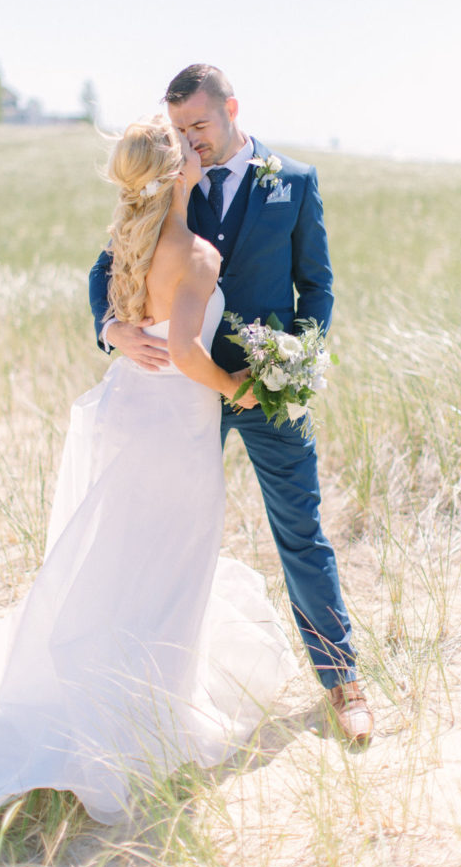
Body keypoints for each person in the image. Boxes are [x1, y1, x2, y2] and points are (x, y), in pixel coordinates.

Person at [0, 116, 298, 837]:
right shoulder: (196, 252)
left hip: (128, 411)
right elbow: (185, 351)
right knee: (170, 565)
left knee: (117, 561)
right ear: (178, 170)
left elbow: (129, 312)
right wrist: (238, 388)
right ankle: (141, 715)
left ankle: (118, 689)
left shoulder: (129, 240)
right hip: (172, 432)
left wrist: (120, 332)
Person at [89, 65, 374, 744]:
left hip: (268, 393)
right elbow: (110, 263)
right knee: (161, 535)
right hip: (182, 395)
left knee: (300, 531)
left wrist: (297, 363)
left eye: (199, 126)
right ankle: (137, 691)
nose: (192, 142)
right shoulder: (170, 178)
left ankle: (342, 682)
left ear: (230, 109)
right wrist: (110, 325)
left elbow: (318, 286)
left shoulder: (295, 182)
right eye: (179, 129)